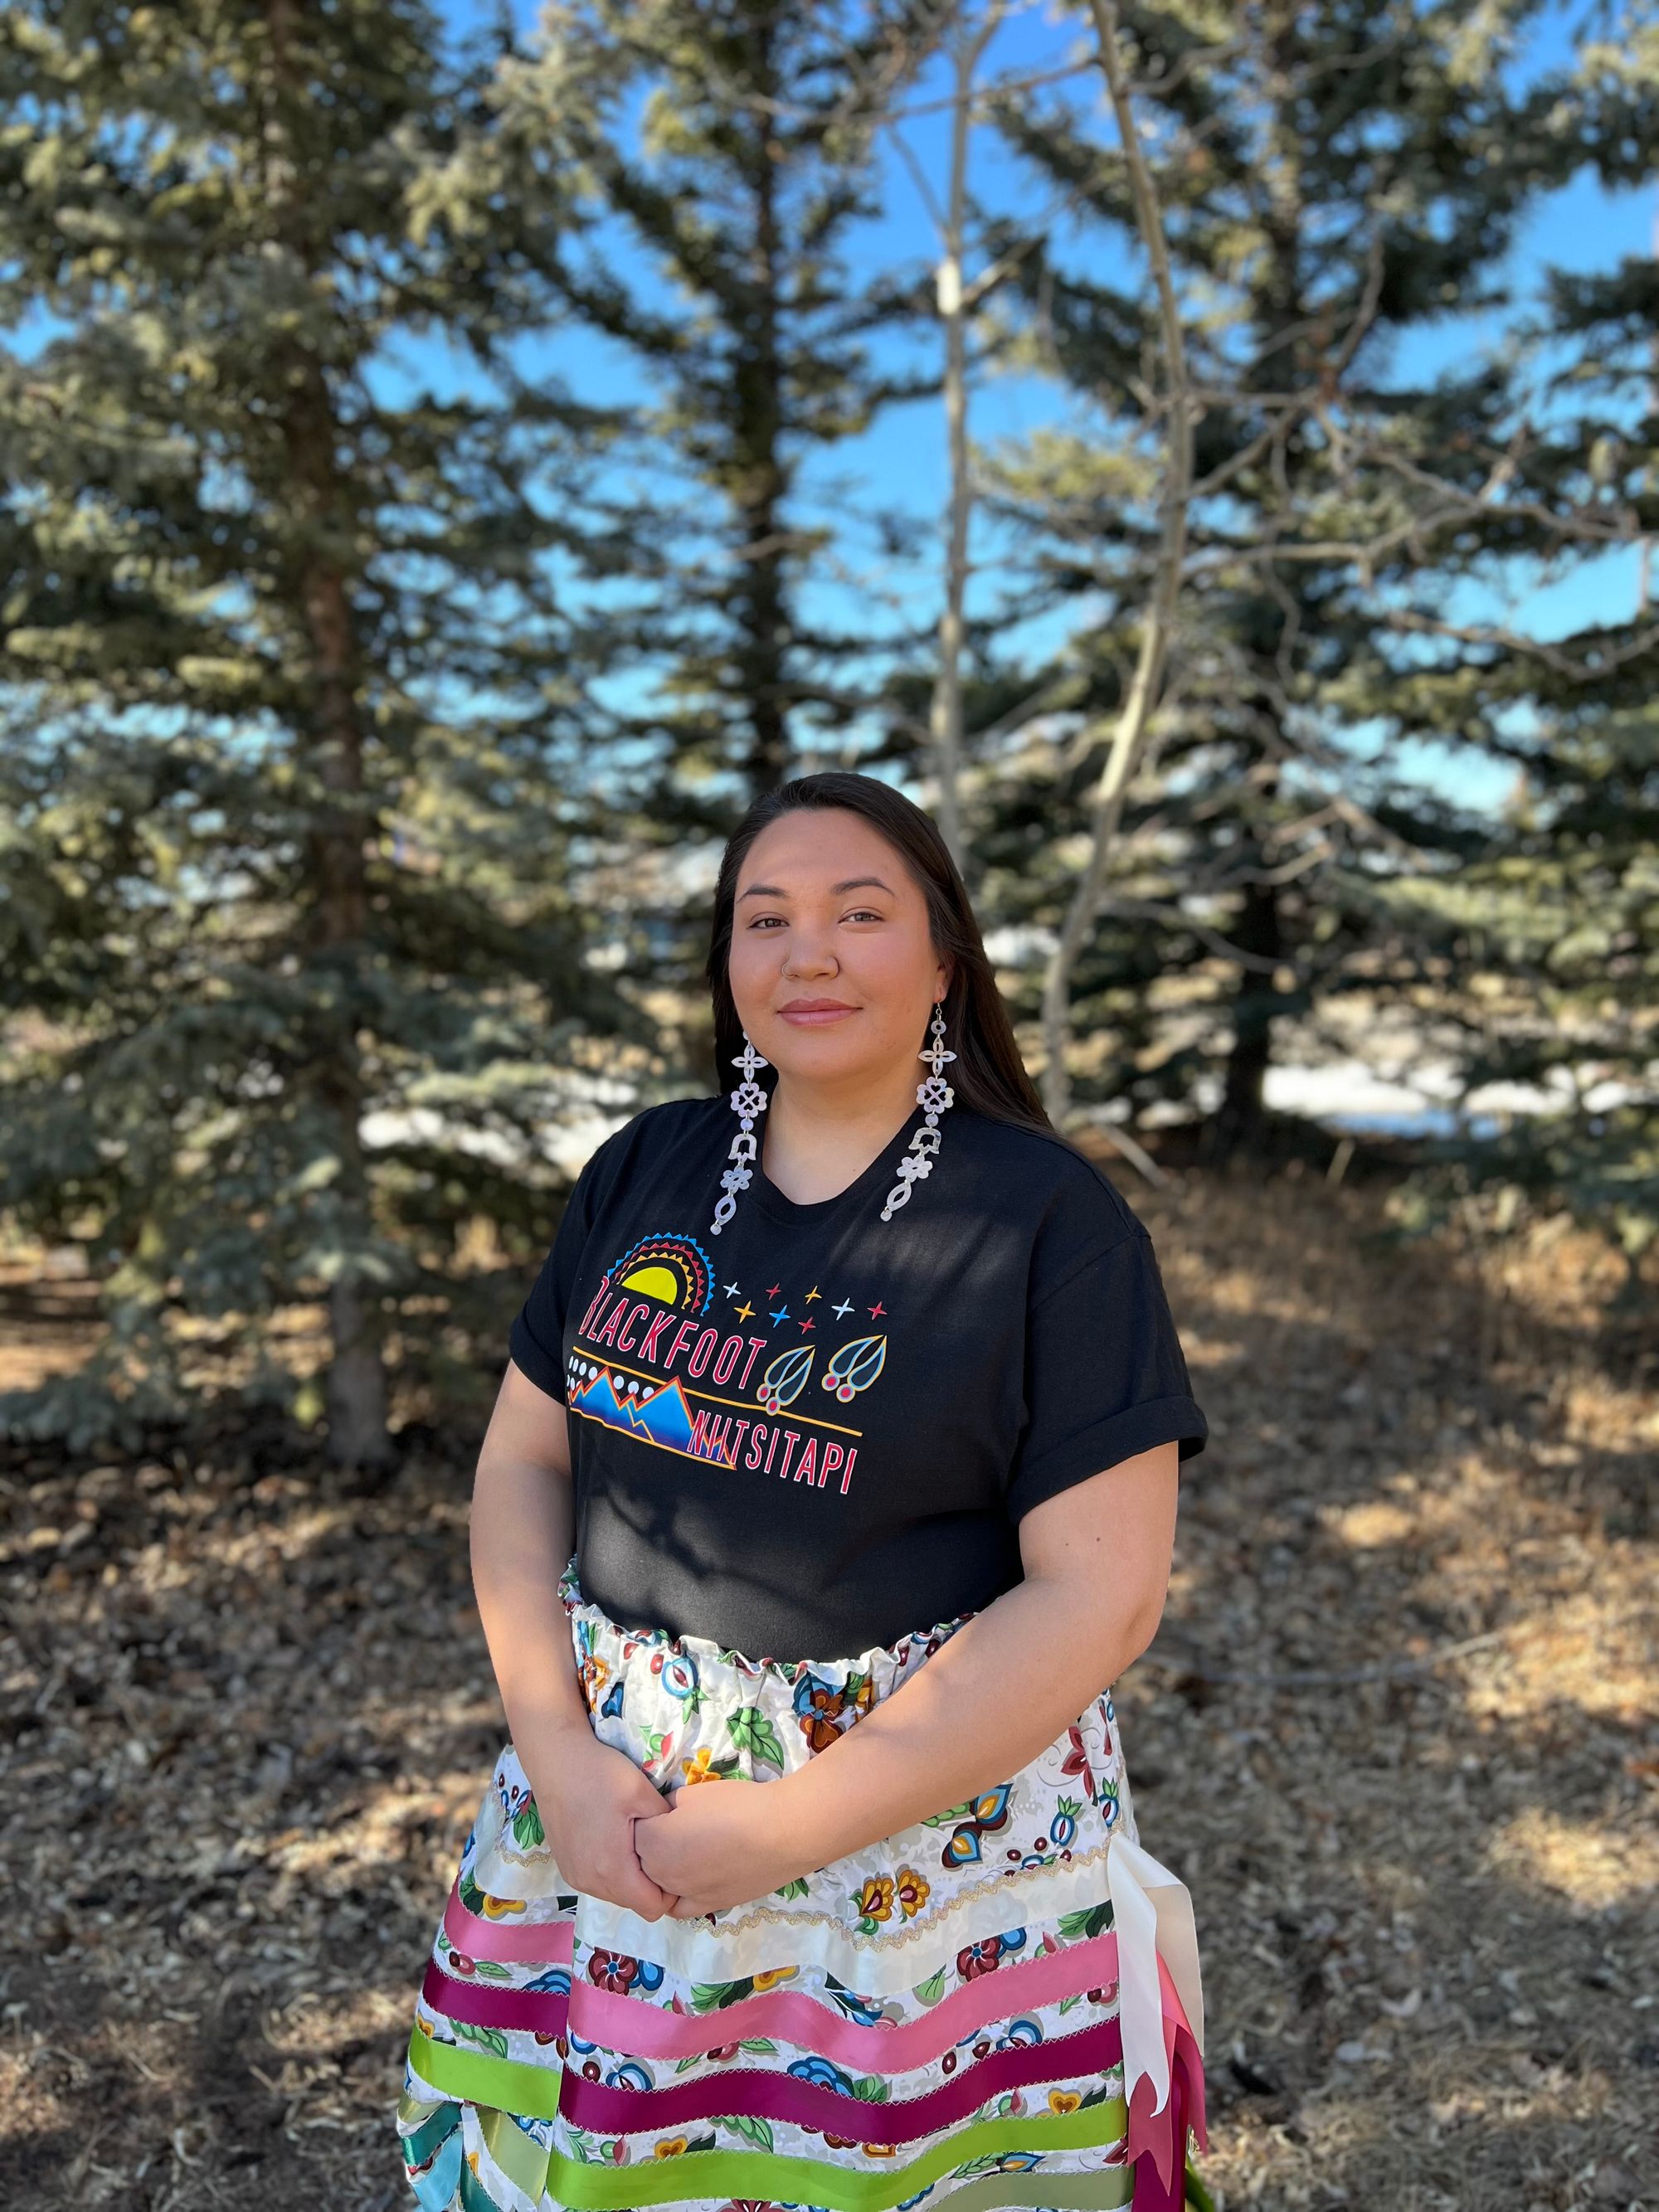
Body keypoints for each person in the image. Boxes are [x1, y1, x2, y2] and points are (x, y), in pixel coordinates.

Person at [395, 771, 1211, 2212]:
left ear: (946, 960)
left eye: (861, 914)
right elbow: (525, 1460)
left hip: (908, 1867)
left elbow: (1102, 1598)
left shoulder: (1050, 1225)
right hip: (604, 1819)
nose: (807, 954)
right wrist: (558, 1749)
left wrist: (788, 1827)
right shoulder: (644, 1167)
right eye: (764, 918)